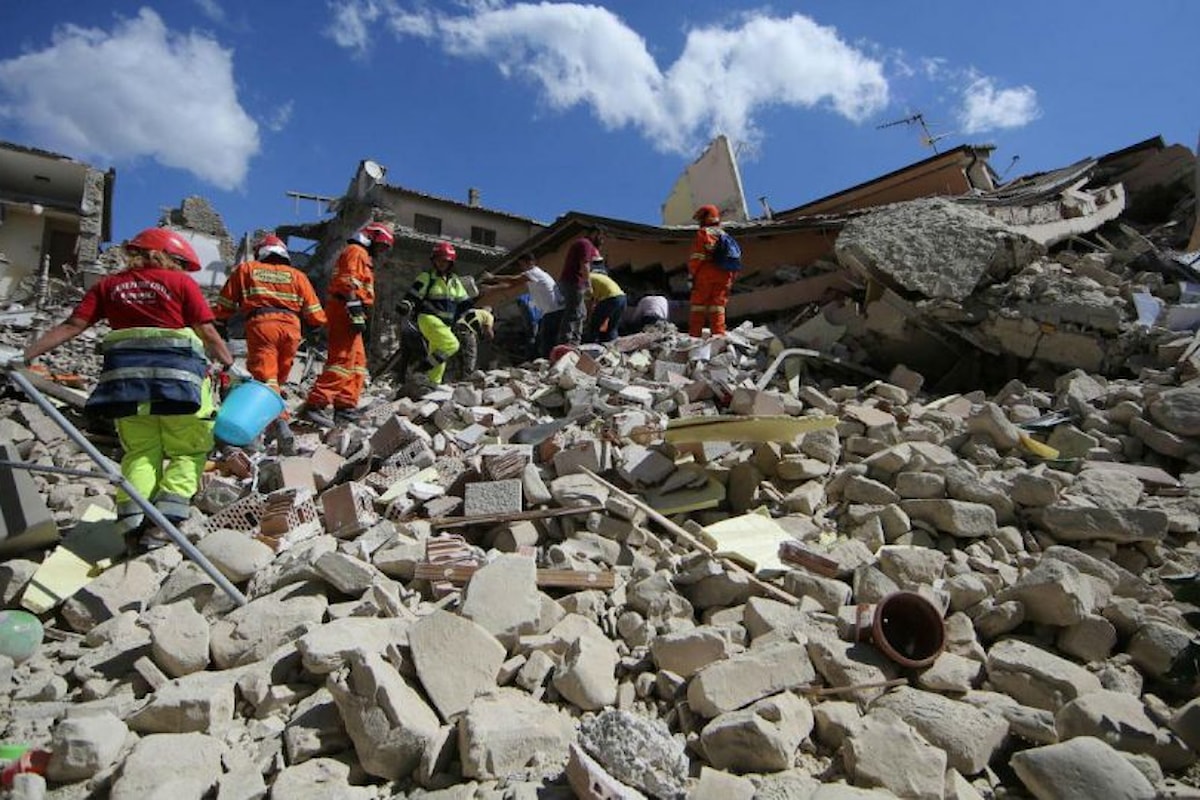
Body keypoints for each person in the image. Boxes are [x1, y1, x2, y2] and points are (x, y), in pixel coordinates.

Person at [21, 227, 237, 543]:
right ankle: (167, 521)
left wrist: (25, 355)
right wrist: (231, 365)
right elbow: (208, 333)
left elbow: (72, 326)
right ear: (161, 255)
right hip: (180, 390)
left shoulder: (108, 286)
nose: (179, 269)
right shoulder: (180, 283)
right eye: (177, 261)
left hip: (126, 390)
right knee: (189, 450)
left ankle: (132, 519)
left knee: (140, 451)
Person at [213, 234, 326, 451]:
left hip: (262, 325)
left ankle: (279, 423)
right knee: (277, 380)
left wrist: (220, 324)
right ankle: (274, 421)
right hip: (292, 329)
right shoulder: (298, 276)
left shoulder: (247, 269)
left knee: (266, 379)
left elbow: (225, 303)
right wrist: (316, 331)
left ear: (261, 253)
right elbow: (315, 313)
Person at [303, 222, 393, 427]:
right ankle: (315, 404)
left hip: (351, 308)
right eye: (381, 246)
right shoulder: (355, 251)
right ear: (372, 238)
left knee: (357, 363)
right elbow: (347, 282)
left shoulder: (363, 255)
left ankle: (345, 406)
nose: (381, 252)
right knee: (342, 360)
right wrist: (354, 309)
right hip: (345, 308)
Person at [398, 241, 471, 386]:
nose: (442, 263)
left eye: (445, 261)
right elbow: (412, 294)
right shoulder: (427, 277)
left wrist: (472, 316)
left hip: (446, 325)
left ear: (451, 262)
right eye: (439, 260)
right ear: (433, 260)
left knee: (438, 354)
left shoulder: (455, 281)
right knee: (451, 345)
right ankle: (420, 370)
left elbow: (464, 303)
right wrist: (405, 304)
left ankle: (432, 385)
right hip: (428, 319)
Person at [687, 204, 735, 337]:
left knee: (698, 306)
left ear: (704, 218)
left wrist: (692, 275)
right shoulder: (724, 235)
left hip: (706, 274)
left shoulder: (703, 233)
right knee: (718, 307)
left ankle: (694, 337)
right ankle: (719, 336)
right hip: (725, 275)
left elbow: (697, 258)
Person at [556, 225, 605, 347]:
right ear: (594, 233)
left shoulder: (584, 244)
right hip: (573, 282)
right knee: (574, 312)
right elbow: (584, 264)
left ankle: (575, 342)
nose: (602, 240)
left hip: (571, 282)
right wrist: (588, 285)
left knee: (581, 312)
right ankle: (566, 342)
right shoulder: (585, 244)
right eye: (601, 236)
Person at [452, 305, 495, 378]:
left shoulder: (472, 310)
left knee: (459, 354)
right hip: (466, 331)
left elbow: (474, 323)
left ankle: (458, 376)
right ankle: (468, 376)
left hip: (456, 329)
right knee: (470, 354)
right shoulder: (488, 315)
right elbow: (488, 330)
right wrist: (491, 339)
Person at [585, 270, 626, 343]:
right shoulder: (597, 277)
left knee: (594, 325)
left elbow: (590, 302)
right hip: (622, 298)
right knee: (612, 327)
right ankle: (613, 346)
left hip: (610, 298)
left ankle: (590, 345)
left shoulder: (586, 279)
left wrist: (588, 318)